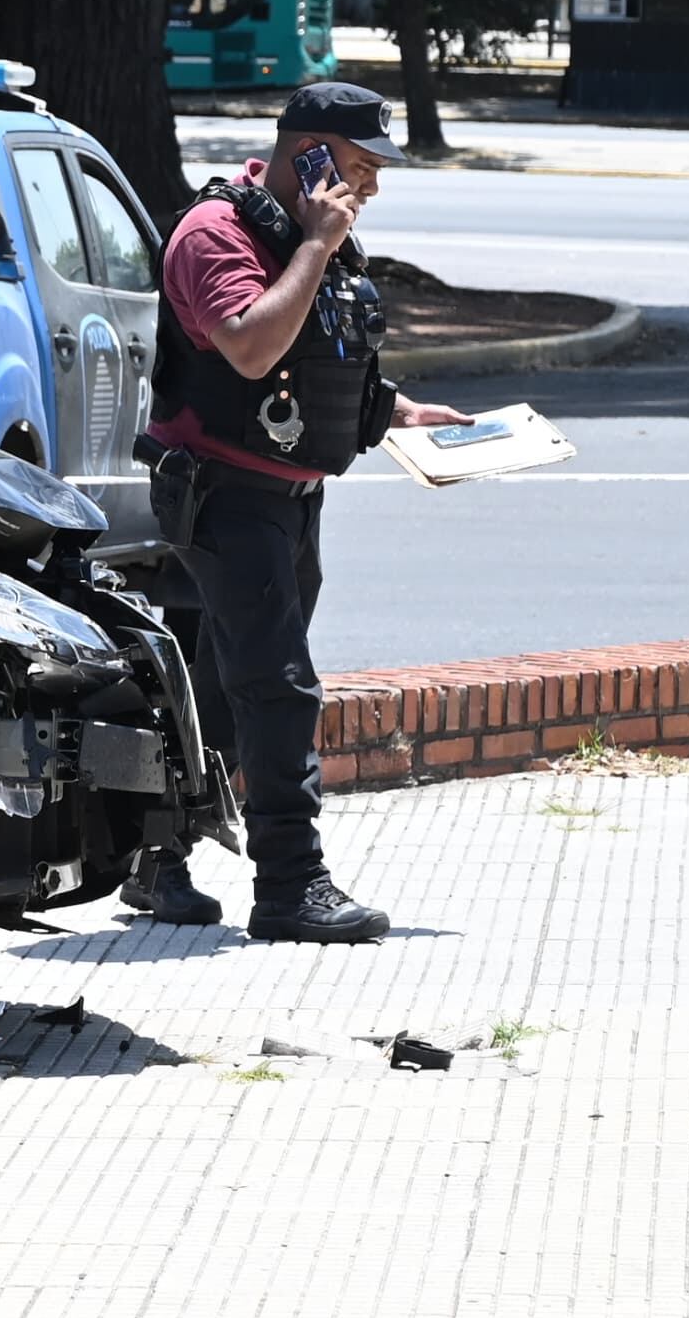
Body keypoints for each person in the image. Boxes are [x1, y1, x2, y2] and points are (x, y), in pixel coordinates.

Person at [122, 78, 469, 942]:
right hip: (222, 493)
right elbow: (249, 346)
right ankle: (289, 885)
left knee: (218, 687)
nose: (372, 186)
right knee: (278, 687)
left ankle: (154, 856)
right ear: (308, 155)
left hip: (287, 495)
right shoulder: (217, 234)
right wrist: (317, 243)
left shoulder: (309, 236)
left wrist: (396, 412)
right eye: (360, 165)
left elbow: (317, 357)